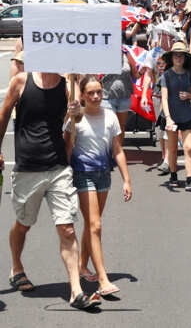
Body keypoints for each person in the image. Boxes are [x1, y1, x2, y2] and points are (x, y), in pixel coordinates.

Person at [0, 72, 101, 310]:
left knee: (67, 227)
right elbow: (4, 115)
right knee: (24, 224)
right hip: (28, 167)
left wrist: (77, 114)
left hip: (58, 167)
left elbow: (73, 121)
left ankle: (76, 290)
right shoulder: (21, 82)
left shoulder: (68, 86)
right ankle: (17, 267)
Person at [64, 75, 132, 297]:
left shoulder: (110, 115)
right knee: (95, 225)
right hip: (83, 174)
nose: (95, 96)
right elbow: (66, 149)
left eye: (99, 92)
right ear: (82, 95)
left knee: (91, 225)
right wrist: (69, 119)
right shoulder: (75, 119)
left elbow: (118, 150)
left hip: (104, 174)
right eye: (90, 93)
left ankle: (83, 265)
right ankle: (103, 279)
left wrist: (127, 180)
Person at [160, 42, 191, 192]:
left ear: (185, 58)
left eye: (181, 55)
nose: (178, 58)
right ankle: (173, 176)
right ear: (171, 58)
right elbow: (164, 98)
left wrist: (189, 96)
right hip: (171, 116)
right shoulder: (166, 75)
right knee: (172, 149)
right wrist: (168, 117)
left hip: (187, 116)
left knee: (189, 148)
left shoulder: (189, 74)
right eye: (176, 55)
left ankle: (190, 179)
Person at [102, 47, 139, 145]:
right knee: (109, 126)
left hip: (124, 97)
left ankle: (118, 150)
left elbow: (135, 75)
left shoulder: (127, 55)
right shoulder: (104, 54)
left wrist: (142, 72)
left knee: (121, 127)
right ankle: (108, 150)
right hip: (107, 97)